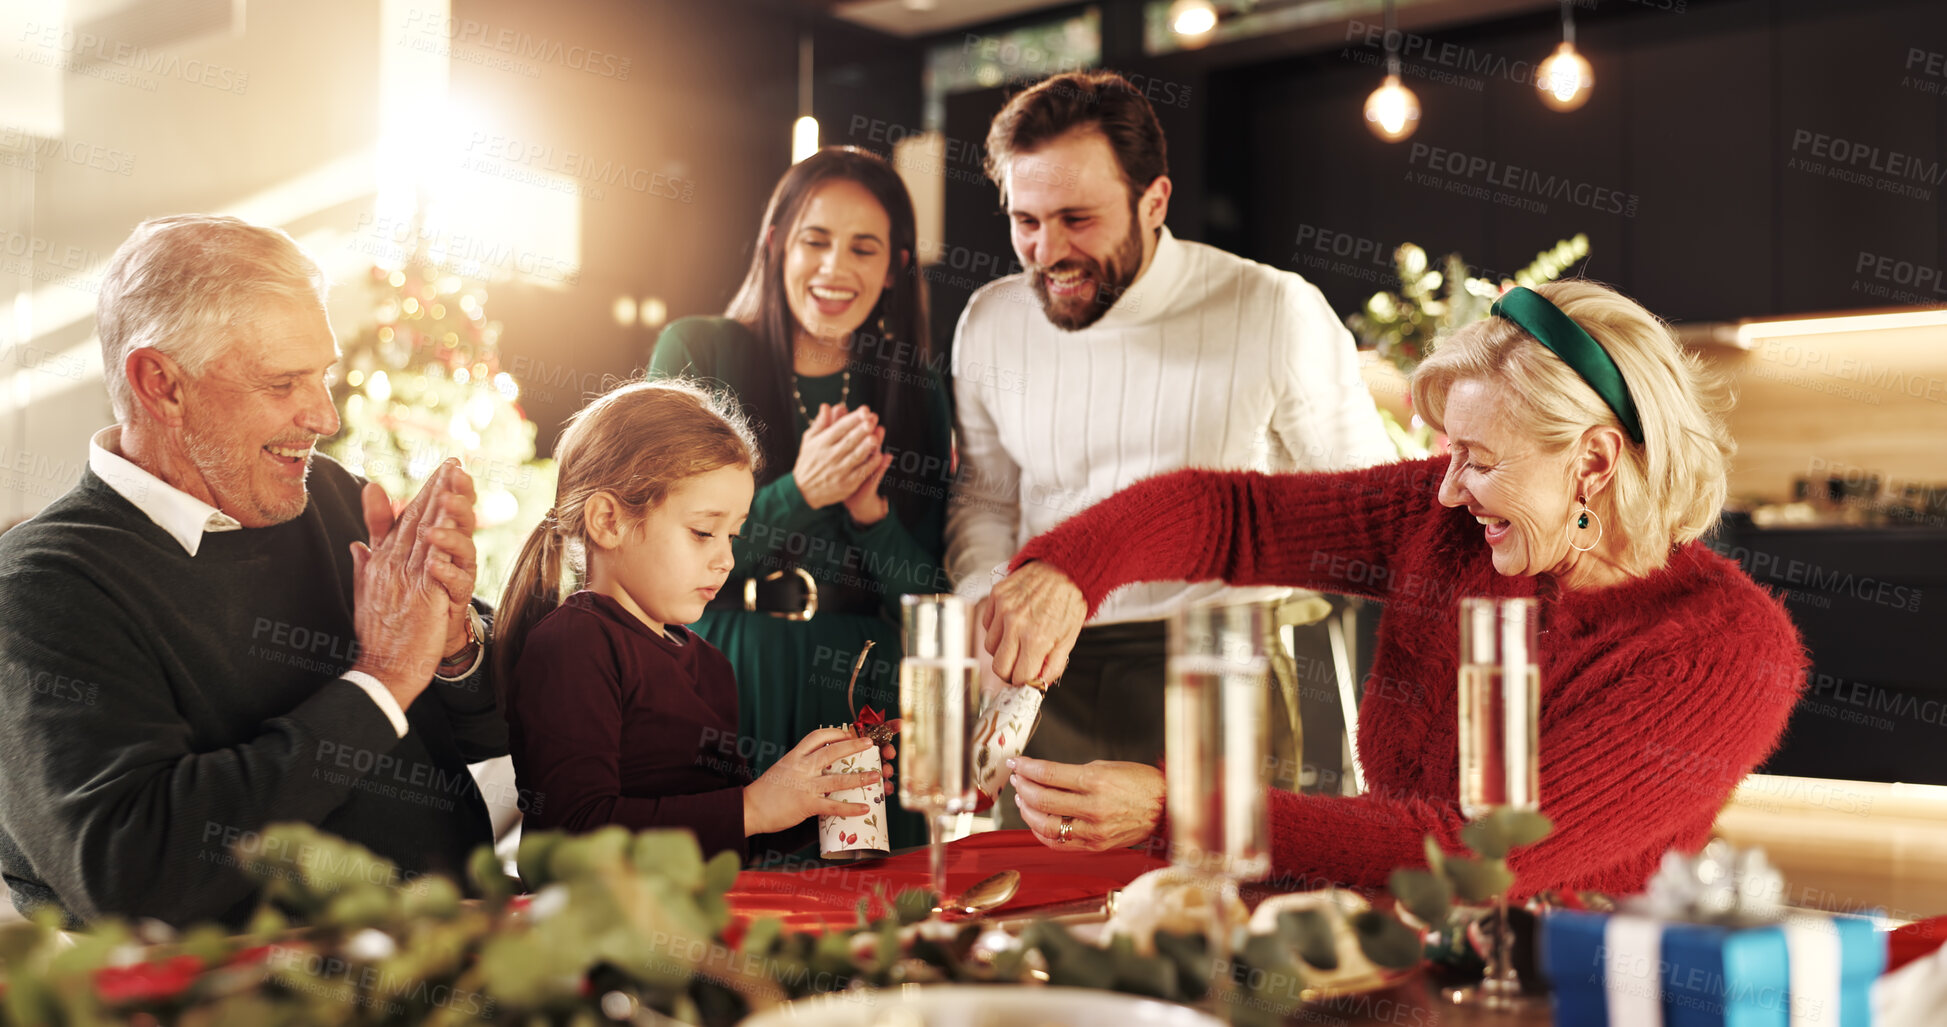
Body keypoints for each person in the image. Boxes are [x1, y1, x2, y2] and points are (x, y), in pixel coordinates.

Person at [979, 280, 1805, 898]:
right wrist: (1067, 571)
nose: (1446, 491)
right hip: (1385, 948)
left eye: (1478, 460)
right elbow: (1233, 516)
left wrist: (1178, 811)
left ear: (1591, 461)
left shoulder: (1722, 651)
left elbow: (1474, 855)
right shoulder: (1446, 522)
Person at [0, 215, 500, 928]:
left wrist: (453, 648)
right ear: (161, 383)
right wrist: (381, 678)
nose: (323, 413)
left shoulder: (328, 495)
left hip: (470, 955)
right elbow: (132, 875)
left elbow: (500, 727)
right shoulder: (41, 587)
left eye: (321, 374)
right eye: (283, 382)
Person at [946, 70, 1397, 807]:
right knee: (1032, 909)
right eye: (1023, 220)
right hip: (1040, 673)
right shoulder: (988, 320)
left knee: (1220, 908)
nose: (1045, 250)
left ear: (1154, 201)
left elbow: (1365, 517)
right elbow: (986, 497)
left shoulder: (1273, 309)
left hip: (1226, 664)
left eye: (1076, 219)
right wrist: (990, 602)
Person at [649, 147, 952, 850]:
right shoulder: (697, 351)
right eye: (815, 240)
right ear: (775, 242)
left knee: (873, 928)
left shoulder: (915, 387)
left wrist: (872, 518)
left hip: (860, 693)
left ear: (895, 267)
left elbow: (930, 603)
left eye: (863, 248)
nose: (834, 269)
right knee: (721, 921)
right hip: (721, 671)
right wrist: (801, 492)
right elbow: (661, 554)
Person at [495, 380, 897, 862]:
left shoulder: (709, 665)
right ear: (608, 520)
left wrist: (814, 799)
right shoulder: (574, 646)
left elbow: (725, 832)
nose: (726, 560)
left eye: (733, 536)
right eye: (703, 532)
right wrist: (754, 807)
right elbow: (574, 835)